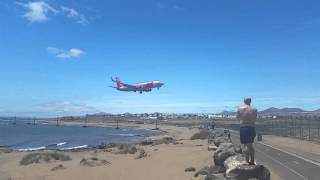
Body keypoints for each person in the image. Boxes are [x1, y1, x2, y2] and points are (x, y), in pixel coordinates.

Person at [237, 97, 257, 165]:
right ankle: (252, 160)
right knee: (250, 145)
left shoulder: (240, 108)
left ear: (244, 101)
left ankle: (246, 161)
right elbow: (254, 118)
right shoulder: (254, 109)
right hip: (251, 127)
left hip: (243, 127)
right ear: (250, 101)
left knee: (246, 145)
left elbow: (238, 117)